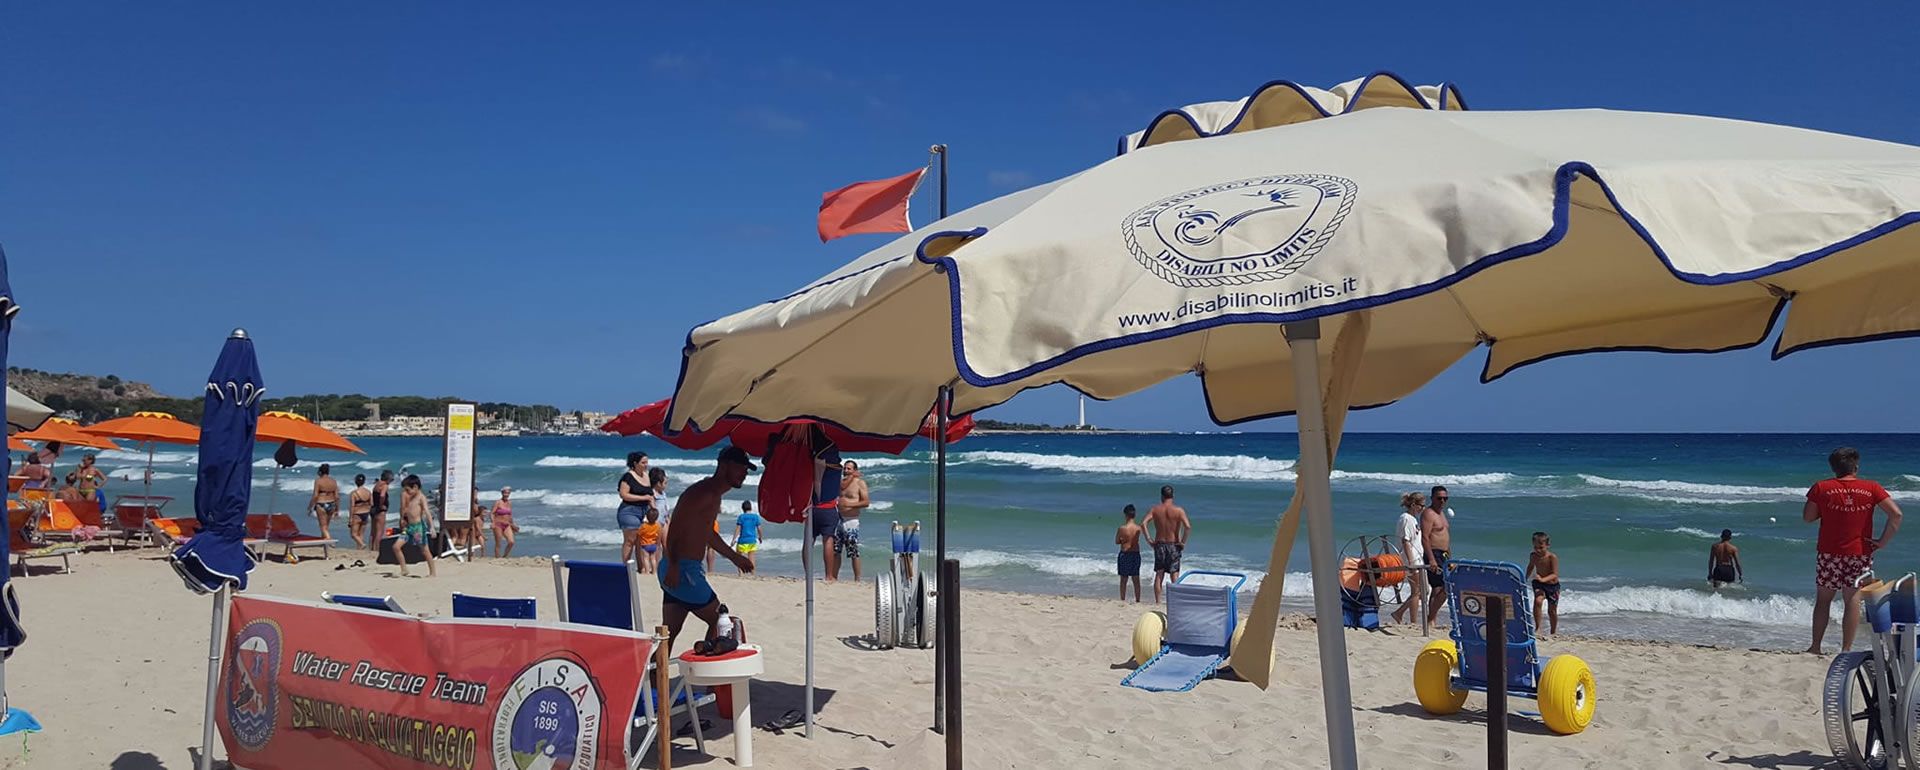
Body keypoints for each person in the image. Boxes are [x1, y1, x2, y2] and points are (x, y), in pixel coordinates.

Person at [1806, 447, 1904, 654]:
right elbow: (1896, 514)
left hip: (1829, 552)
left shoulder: (1822, 487)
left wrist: (1828, 510)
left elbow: (1808, 517)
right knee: (1852, 599)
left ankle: (1815, 647)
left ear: (1833, 468)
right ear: (1856, 467)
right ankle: (1846, 649)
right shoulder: (1871, 487)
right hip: (1859, 552)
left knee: (1823, 600)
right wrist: (1882, 541)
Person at [659, 446, 756, 650]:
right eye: (741, 467)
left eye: (747, 469)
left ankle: (655, 672)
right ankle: (706, 662)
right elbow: (675, 528)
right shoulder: (705, 493)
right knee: (720, 621)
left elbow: (708, 533)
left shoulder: (712, 495)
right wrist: (675, 565)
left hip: (679, 569)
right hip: (683, 571)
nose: (745, 473)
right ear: (725, 465)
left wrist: (734, 557)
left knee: (669, 635)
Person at [1389, 492, 1428, 629]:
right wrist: (1411, 562)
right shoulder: (1406, 518)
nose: (1423, 508)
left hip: (1418, 558)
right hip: (1411, 559)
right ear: (1413, 505)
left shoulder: (1413, 519)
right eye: (1421, 506)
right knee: (1416, 591)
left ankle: (1400, 613)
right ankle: (1413, 621)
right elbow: (1405, 541)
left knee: (1424, 590)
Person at [1146, 485, 1191, 604]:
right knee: (1174, 575)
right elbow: (1187, 527)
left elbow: (1143, 523)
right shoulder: (1179, 511)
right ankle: (1175, 602)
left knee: (1159, 574)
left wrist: (1149, 539)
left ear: (1162, 496)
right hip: (1173, 545)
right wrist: (1183, 542)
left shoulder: (1155, 509)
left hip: (1160, 544)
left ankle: (1158, 602)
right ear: (1173, 496)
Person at [390, 474, 435, 578]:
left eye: (408, 490)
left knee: (424, 550)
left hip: (418, 528)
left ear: (415, 487)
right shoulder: (411, 497)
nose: (406, 492)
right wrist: (403, 519)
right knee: (396, 547)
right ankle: (404, 569)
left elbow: (427, 512)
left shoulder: (421, 498)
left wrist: (431, 527)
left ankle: (432, 572)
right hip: (409, 528)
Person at [1422, 487, 1454, 629]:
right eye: (1439, 498)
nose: (1442, 501)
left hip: (1444, 555)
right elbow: (1425, 537)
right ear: (1432, 498)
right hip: (1434, 553)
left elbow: (1445, 538)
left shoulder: (1442, 514)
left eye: (1445, 498)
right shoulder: (1428, 514)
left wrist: (1450, 559)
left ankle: (1432, 619)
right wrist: (1431, 559)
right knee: (1444, 586)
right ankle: (1430, 618)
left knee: (1438, 588)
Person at [615, 452, 654, 567]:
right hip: (629, 511)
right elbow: (623, 494)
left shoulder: (646, 476)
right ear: (635, 463)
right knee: (630, 540)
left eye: (647, 462)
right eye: (643, 463)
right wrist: (643, 498)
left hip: (644, 511)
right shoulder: (628, 477)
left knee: (641, 541)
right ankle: (625, 566)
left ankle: (641, 568)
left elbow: (651, 494)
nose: (646, 465)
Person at [833, 460, 869, 581]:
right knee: (836, 550)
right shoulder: (841, 483)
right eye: (844, 468)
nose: (846, 470)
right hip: (838, 519)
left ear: (854, 470)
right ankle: (834, 577)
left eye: (849, 468)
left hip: (851, 520)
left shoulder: (860, 483)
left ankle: (857, 579)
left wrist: (849, 504)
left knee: (853, 551)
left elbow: (866, 502)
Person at [1527, 531, 1560, 636]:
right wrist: (1525, 578)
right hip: (1539, 583)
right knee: (1538, 601)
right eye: (1535, 547)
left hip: (1552, 586)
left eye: (1541, 547)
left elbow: (1554, 574)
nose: (1538, 550)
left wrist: (1543, 579)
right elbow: (1530, 566)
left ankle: (1553, 631)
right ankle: (1538, 628)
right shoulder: (1533, 556)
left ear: (1547, 545)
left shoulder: (1552, 557)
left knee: (1552, 611)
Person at [1115, 504, 1145, 602]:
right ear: (1134, 515)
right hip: (1135, 554)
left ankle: (1122, 599)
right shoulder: (1138, 528)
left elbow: (1117, 541)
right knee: (1136, 578)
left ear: (1125, 515)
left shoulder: (1122, 528)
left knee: (1124, 579)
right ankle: (1138, 599)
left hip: (1125, 554)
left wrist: (1123, 540)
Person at [307, 463, 339, 539]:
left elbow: (315, 495)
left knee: (323, 527)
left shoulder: (318, 481)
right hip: (332, 503)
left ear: (320, 472)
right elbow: (337, 497)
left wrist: (310, 506)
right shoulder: (333, 481)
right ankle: (324, 542)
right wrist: (337, 509)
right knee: (326, 526)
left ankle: (330, 541)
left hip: (321, 504)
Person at [732, 500, 762, 573]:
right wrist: (760, 537)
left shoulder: (741, 517)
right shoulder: (756, 517)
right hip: (752, 540)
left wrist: (734, 539)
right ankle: (752, 573)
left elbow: (738, 529)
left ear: (743, 508)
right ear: (751, 508)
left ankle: (740, 573)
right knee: (751, 557)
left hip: (742, 540)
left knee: (739, 557)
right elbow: (759, 529)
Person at [346, 474, 373, 549]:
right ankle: (360, 549)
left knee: (353, 534)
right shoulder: (368, 492)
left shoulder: (354, 493)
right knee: (361, 534)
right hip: (366, 513)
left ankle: (362, 544)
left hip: (357, 514)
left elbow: (352, 506)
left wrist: (350, 518)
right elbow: (371, 504)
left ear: (356, 482)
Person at [369, 470, 393, 550]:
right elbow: (382, 495)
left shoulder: (377, 484)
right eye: (391, 479)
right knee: (380, 531)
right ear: (388, 478)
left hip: (373, 509)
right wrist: (381, 505)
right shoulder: (384, 485)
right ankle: (377, 548)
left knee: (373, 532)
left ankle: (371, 548)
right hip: (380, 510)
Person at [492, 486, 518, 557]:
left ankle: (504, 556)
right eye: (505, 493)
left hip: (507, 524)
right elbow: (492, 513)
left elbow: (510, 515)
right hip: (498, 524)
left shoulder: (509, 503)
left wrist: (513, 525)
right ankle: (497, 558)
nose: (506, 494)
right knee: (498, 543)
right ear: (502, 493)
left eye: (508, 493)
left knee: (511, 542)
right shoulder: (498, 502)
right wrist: (493, 522)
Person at [637, 509, 663, 573]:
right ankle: (654, 571)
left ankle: (647, 571)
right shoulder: (657, 526)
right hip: (653, 544)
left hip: (645, 544)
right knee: (653, 559)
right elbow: (658, 534)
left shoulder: (644, 526)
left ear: (647, 516)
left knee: (646, 558)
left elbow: (639, 534)